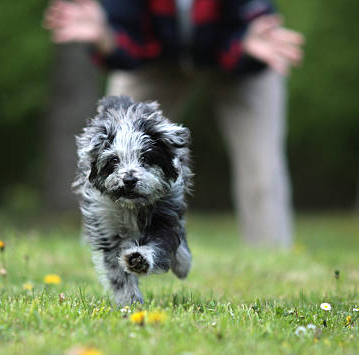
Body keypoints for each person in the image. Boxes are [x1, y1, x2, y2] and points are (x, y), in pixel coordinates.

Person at [44, 0, 304, 248]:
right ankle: (99, 250)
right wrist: (105, 37)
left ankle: (272, 255)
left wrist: (247, 44)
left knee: (262, 165)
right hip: (155, 63)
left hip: (240, 61)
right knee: (113, 143)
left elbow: (257, 19)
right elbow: (125, 47)